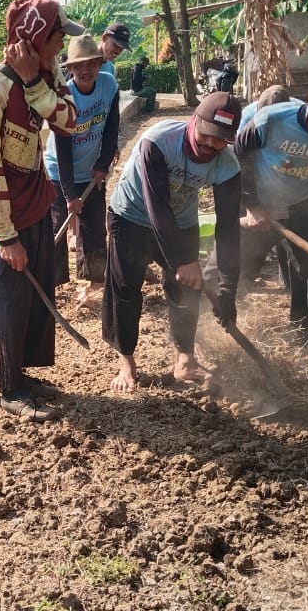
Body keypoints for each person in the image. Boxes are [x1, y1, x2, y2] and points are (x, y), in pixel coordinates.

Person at [0, 0, 81, 421]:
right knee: (8, 301)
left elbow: (69, 121)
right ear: (35, 38)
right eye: (57, 37)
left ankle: (24, 372)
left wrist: (36, 83)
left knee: (36, 299)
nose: (61, 46)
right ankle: (9, 387)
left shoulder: (44, 77)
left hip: (38, 205)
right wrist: (6, 236)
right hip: (8, 219)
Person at [206, 74, 308, 344]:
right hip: (257, 203)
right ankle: (208, 328)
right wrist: (252, 206)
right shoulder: (271, 119)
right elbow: (238, 161)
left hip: (298, 203)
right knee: (225, 266)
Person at [103, 92, 242, 391]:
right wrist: (183, 260)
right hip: (132, 215)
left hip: (181, 220)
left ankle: (185, 360)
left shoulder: (227, 166)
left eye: (221, 140)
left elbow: (228, 227)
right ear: (195, 121)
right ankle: (126, 360)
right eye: (207, 135)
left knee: (185, 293)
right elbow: (157, 206)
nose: (211, 145)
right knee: (126, 289)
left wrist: (228, 287)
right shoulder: (158, 141)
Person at [45, 33, 121, 303]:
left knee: (93, 227)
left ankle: (95, 281)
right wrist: (69, 196)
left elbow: (112, 126)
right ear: (71, 69)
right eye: (78, 66)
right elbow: (63, 148)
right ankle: (51, 286)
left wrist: (102, 164)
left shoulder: (109, 86)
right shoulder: (65, 96)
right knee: (57, 227)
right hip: (59, 172)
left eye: (91, 64)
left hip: (91, 171)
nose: (85, 70)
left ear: (100, 63)